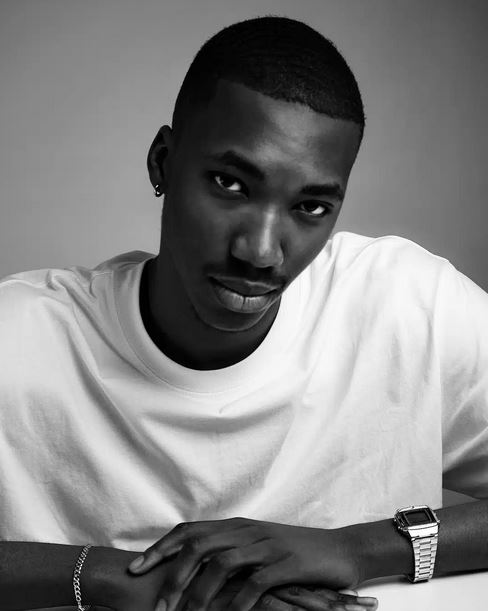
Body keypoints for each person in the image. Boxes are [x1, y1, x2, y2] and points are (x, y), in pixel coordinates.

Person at [0, 14, 487, 611]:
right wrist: (122, 579)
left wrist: (360, 549)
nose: (260, 252)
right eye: (230, 184)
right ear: (162, 162)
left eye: (311, 206)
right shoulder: (20, 338)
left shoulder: (409, 308)